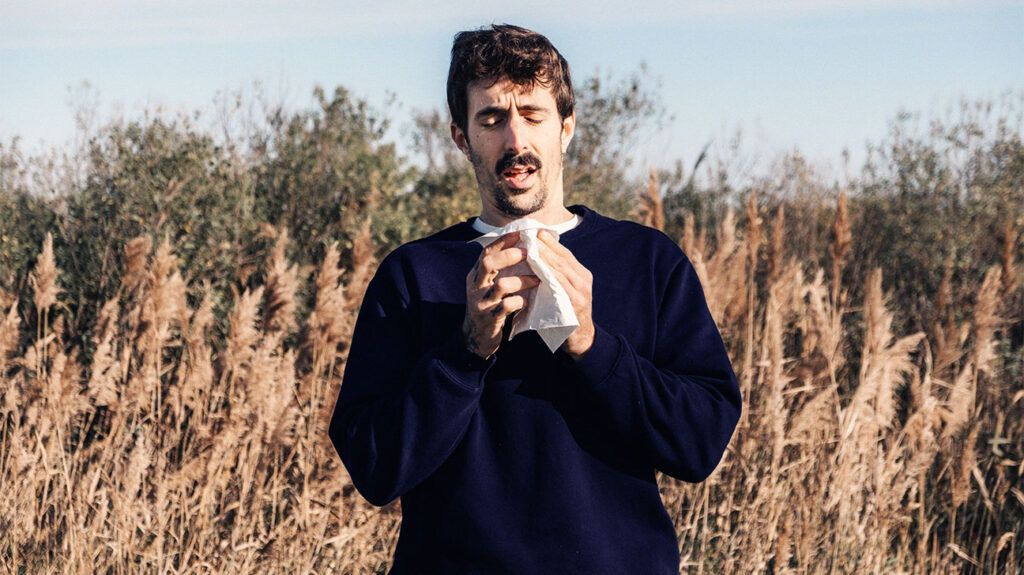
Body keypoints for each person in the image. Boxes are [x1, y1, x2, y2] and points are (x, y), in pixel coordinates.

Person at [329, 23, 741, 574]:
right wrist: (466, 352)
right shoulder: (414, 276)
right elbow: (375, 468)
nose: (515, 141)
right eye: (492, 119)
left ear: (566, 128)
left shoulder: (647, 261)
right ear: (460, 136)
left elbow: (700, 445)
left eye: (533, 114)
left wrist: (593, 347)